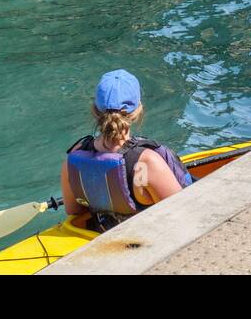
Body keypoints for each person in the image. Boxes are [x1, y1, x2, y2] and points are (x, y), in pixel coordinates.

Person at [62, 70, 193, 231]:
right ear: (138, 110)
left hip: (100, 234)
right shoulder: (145, 164)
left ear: (95, 110)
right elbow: (183, 214)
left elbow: (73, 211)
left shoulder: (74, 156)